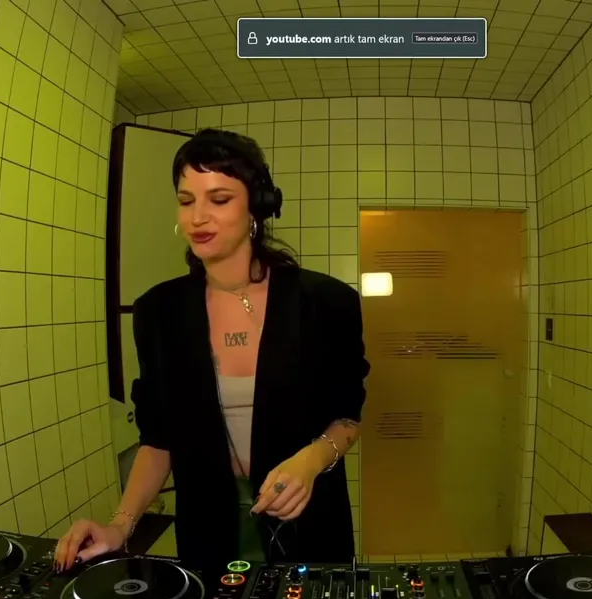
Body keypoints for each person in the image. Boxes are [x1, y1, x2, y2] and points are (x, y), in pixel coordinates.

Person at [54, 128, 369, 573]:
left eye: (219, 199)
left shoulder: (326, 302)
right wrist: (121, 525)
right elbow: (158, 439)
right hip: (207, 535)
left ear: (255, 207)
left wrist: (312, 460)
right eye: (187, 201)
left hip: (310, 528)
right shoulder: (159, 311)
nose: (198, 217)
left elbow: (348, 417)